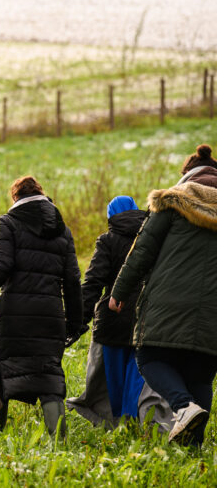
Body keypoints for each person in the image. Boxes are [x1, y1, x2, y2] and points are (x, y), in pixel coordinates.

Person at [0, 175, 81, 436]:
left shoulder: (8, 222)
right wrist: (74, 323)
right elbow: (72, 280)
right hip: (51, 318)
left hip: (14, 315)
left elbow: (0, 266)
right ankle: (58, 442)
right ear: (42, 194)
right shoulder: (63, 230)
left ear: (15, 197)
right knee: (49, 376)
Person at [110, 164, 217, 445]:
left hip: (168, 303)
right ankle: (193, 448)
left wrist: (119, 291)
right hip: (212, 313)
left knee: (149, 358)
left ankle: (183, 407)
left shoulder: (172, 203)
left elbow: (142, 250)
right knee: (201, 376)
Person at [66, 196, 149, 426]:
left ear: (110, 216)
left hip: (112, 320)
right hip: (144, 318)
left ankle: (117, 422)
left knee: (113, 379)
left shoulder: (107, 240)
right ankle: (133, 420)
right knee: (138, 372)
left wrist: (78, 321)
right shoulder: (150, 239)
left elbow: (93, 282)